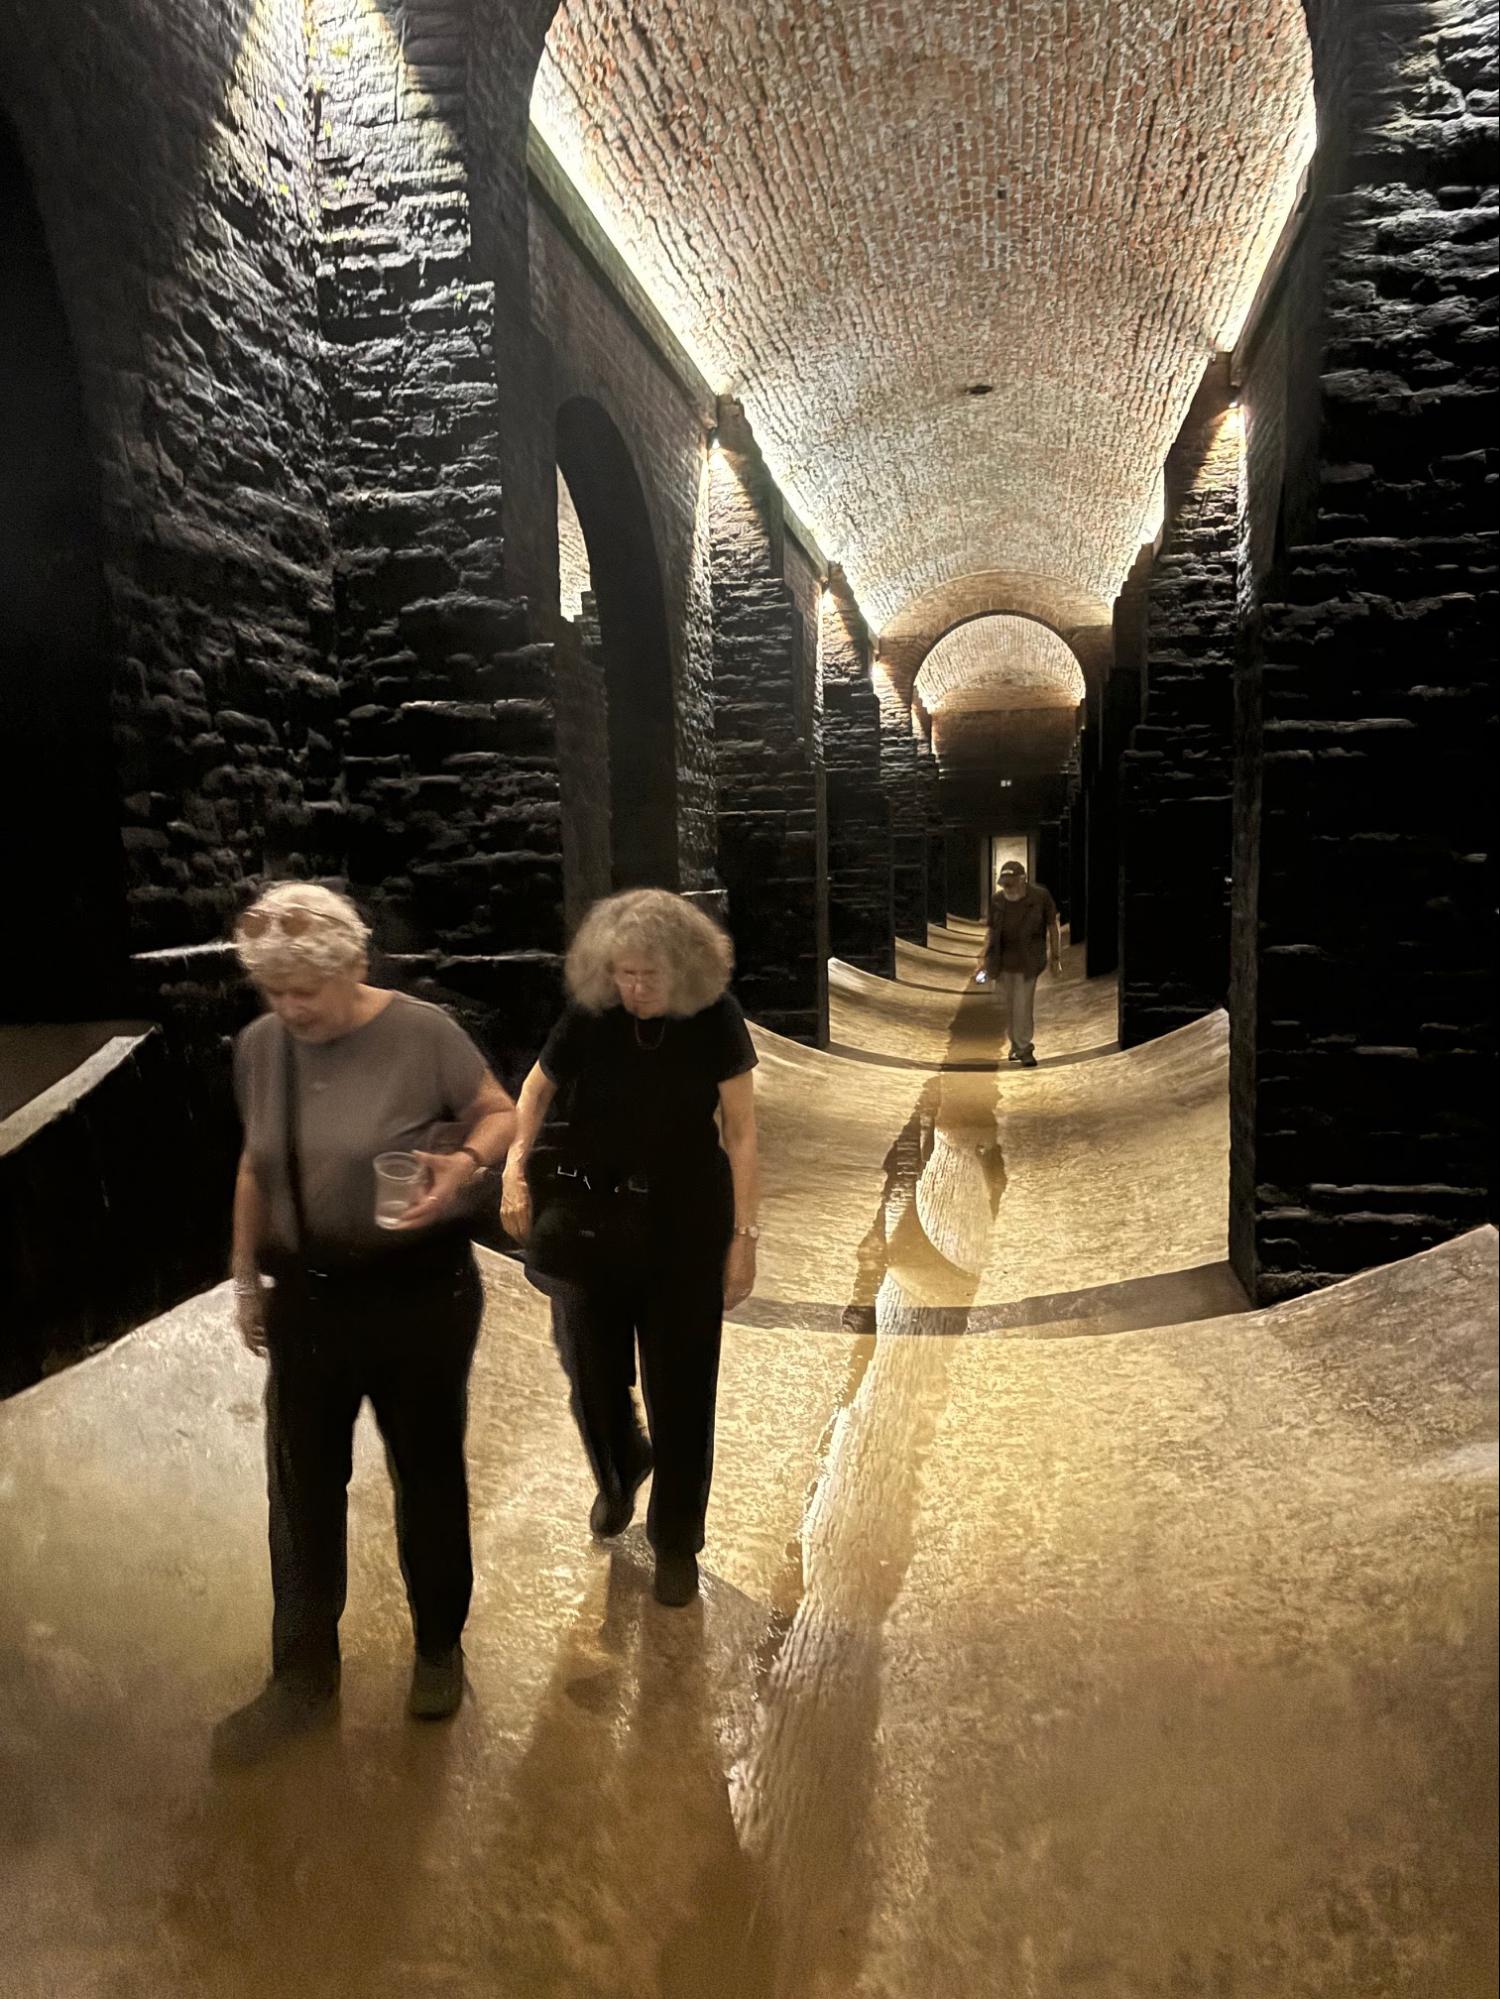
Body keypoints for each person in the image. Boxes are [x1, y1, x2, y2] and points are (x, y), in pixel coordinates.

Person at [220, 882, 516, 1759]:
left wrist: (462, 1163)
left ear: (353, 963)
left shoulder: (423, 1033)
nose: (290, 1007)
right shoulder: (260, 1046)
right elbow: (255, 1162)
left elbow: (498, 1112)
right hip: (310, 1294)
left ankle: (438, 1647)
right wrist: (245, 1274)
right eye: (274, 991)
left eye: (305, 988)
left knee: (425, 1471)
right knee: (301, 1485)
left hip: (420, 1292)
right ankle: (301, 1675)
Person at [500, 890, 760, 1609]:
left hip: (686, 1222)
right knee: (589, 1369)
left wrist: (744, 1238)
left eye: (648, 975)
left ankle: (676, 1538)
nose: (634, 988)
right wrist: (515, 1166)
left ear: (680, 968)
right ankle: (620, 1469)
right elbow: (534, 1089)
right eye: (622, 973)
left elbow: (740, 1129)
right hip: (594, 1216)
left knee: (681, 1388)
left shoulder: (715, 1017)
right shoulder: (593, 1011)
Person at [977, 860, 1062, 1067]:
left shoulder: (1040, 897)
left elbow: (1052, 925)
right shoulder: (997, 900)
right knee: (1009, 1006)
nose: (1007, 889)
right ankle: (1016, 1045)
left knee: (1022, 1006)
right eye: (1004, 885)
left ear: (1023, 880)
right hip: (1001, 962)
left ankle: (1024, 1048)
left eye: (1011, 884)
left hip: (1028, 961)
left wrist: (1055, 957)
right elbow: (990, 932)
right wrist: (982, 958)